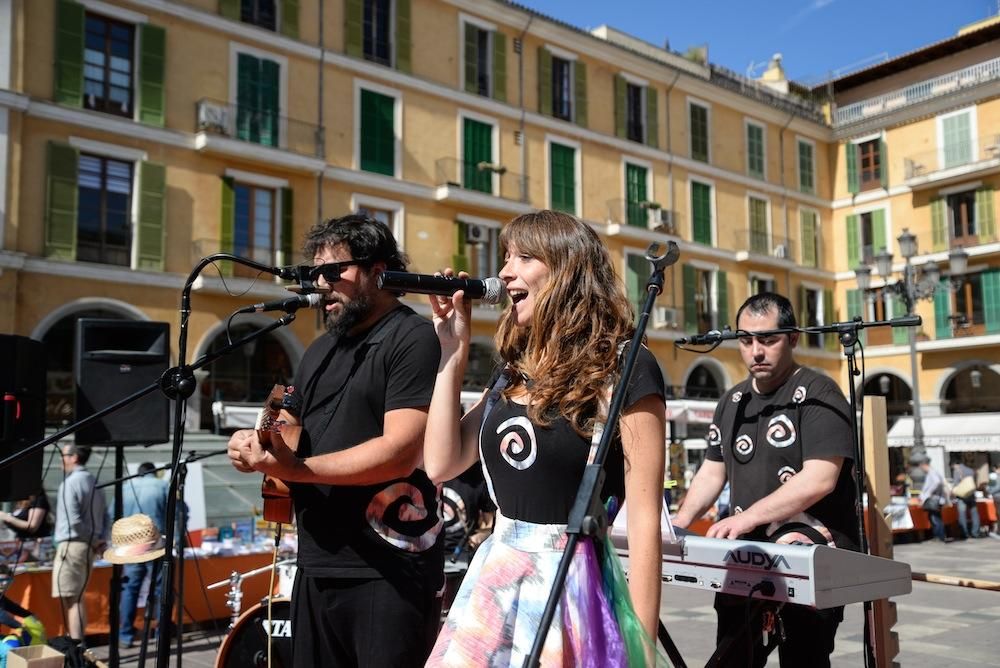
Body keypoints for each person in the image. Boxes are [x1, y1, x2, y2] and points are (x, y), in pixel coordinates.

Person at [424, 210, 666, 666]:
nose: (504, 272)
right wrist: (452, 352)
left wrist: (642, 654)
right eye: (505, 257)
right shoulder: (513, 371)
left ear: (568, 271)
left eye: (525, 257)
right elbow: (441, 463)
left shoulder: (625, 367)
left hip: (574, 581)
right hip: (497, 576)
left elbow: (644, 524)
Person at [227, 214, 443, 667]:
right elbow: (285, 429)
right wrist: (256, 448)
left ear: (378, 271)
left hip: (388, 571)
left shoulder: (413, 337)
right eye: (314, 273)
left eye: (333, 271)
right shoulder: (319, 351)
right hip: (316, 563)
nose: (320, 284)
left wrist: (296, 469)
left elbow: (399, 453)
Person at [673, 292, 859, 668]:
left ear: (792, 338)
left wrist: (746, 517)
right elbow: (712, 471)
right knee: (733, 656)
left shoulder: (819, 393)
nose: (755, 351)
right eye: (746, 340)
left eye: (767, 339)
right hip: (745, 559)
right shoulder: (731, 402)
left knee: (803, 659)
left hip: (808, 557)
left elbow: (821, 478)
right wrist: (676, 523)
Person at [52, 444, 108, 642]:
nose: (61, 459)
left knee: (73, 600)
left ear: (74, 457)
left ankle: (77, 649)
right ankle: (79, 647)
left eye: (63, 455)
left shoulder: (71, 483)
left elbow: (74, 521)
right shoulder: (94, 481)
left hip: (74, 545)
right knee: (77, 598)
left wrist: (96, 541)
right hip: (86, 546)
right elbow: (105, 515)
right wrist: (100, 541)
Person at [115, 463, 169, 648]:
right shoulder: (162, 486)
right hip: (156, 543)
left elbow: (112, 513)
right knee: (160, 589)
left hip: (131, 545)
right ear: (153, 473)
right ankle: (160, 635)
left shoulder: (126, 487)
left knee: (130, 588)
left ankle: (125, 636)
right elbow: (177, 512)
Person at [914, 454, 949, 542]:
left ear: (924, 465)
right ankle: (939, 536)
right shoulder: (934, 472)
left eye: (921, 467)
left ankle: (939, 537)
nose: (921, 469)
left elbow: (936, 482)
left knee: (935, 518)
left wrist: (929, 492)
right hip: (937, 498)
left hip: (934, 499)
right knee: (935, 518)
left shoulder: (932, 472)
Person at [950, 461, 980, 539]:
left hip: (962, 496)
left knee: (962, 514)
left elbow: (956, 484)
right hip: (971, 494)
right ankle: (975, 532)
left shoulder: (957, 471)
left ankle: (964, 533)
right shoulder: (970, 470)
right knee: (974, 513)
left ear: (954, 465)